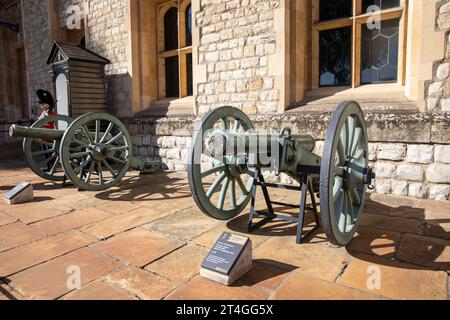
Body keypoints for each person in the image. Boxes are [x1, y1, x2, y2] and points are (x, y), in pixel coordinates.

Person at [35, 89, 57, 172]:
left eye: (44, 104)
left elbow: (51, 123)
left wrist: (46, 119)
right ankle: (49, 167)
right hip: (44, 136)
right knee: (46, 153)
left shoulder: (50, 113)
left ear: (48, 104)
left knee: (50, 153)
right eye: (42, 104)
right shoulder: (44, 112)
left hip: (49, 135)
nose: (42, 105)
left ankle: (53, 167)